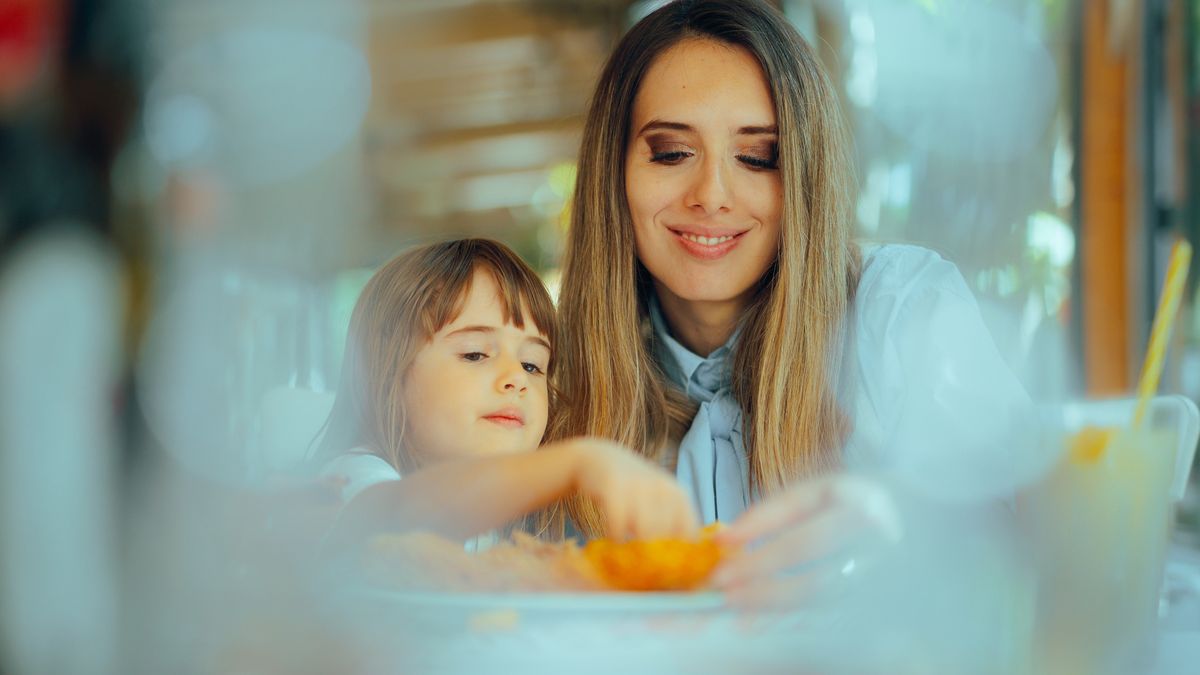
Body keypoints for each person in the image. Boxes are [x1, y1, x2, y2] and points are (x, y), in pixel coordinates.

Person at [551, 0, 1034, 604]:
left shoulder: (903, 311)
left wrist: (908, 526)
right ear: (613, 171)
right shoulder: (540, 379)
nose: (712, 195)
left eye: (758, 157)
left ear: (803, 173)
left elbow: (1051, 542)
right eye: (673, 152)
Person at [314, 238, 699, 553]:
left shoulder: (509, 533)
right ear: (387, 373)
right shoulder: (352, 478)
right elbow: (400, 513)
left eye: (533, 364)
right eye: (476, 354)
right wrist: (575, 463)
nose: (516, 379)